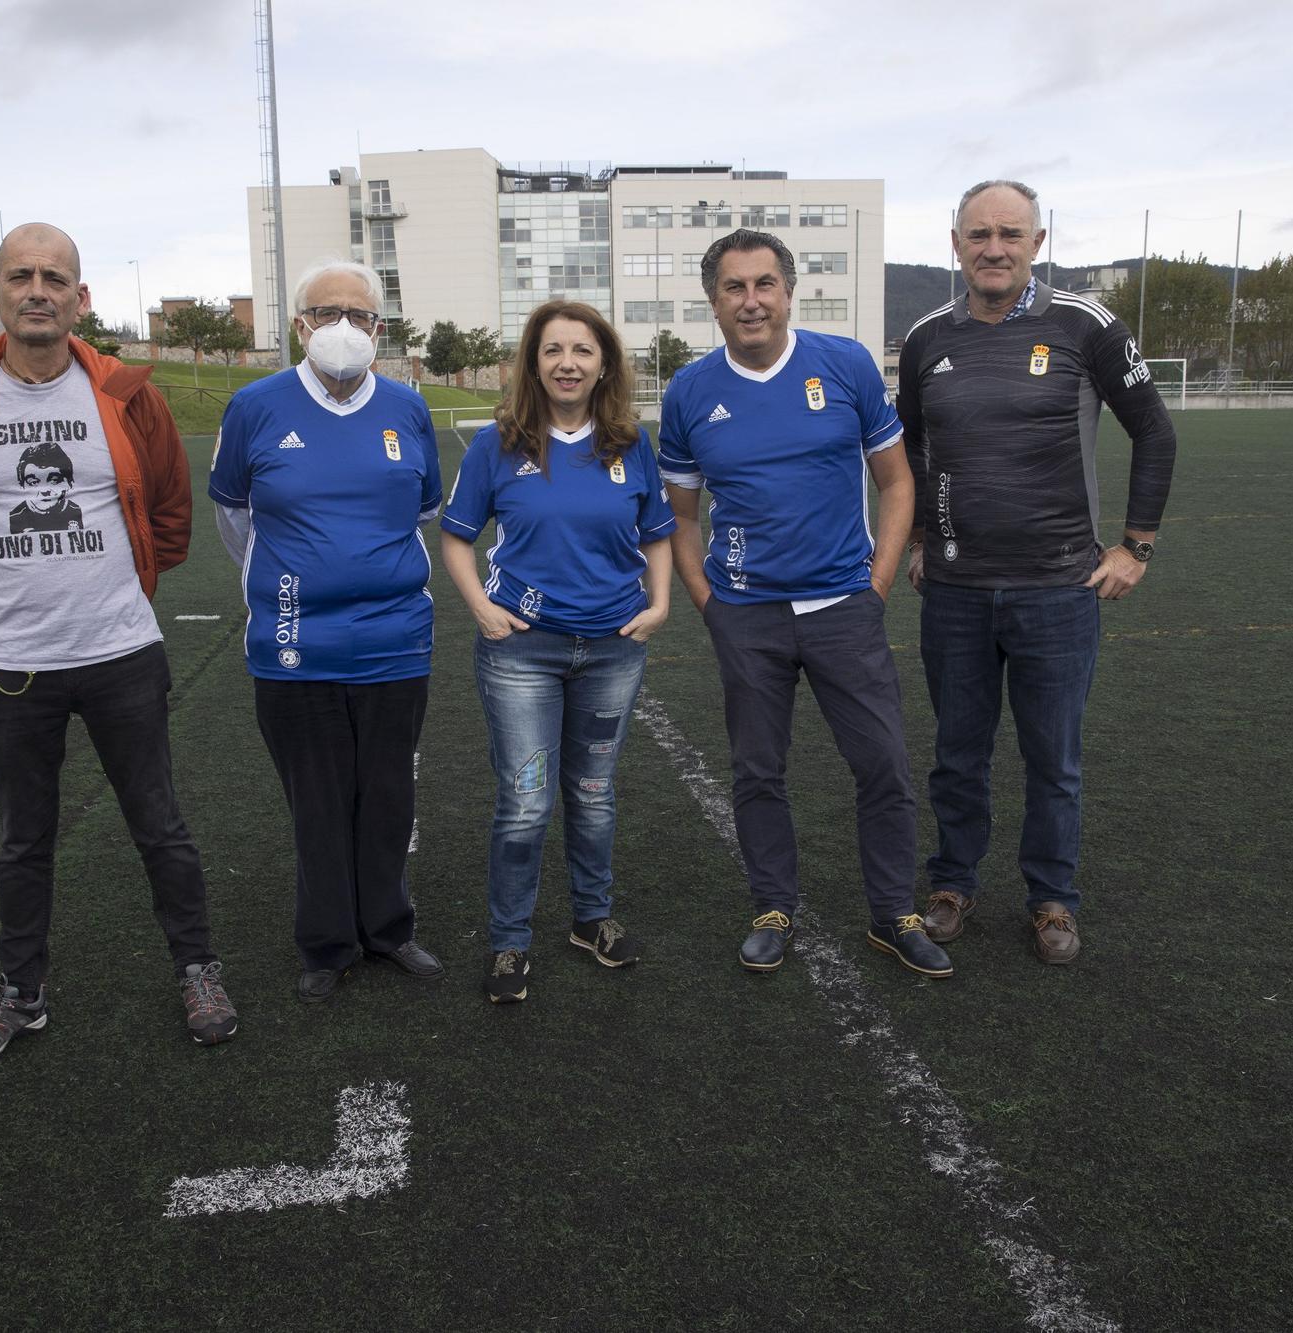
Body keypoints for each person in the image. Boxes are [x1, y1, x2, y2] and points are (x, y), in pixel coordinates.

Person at [0, 222, 237, 1070]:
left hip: (122, 652)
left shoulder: (124, 394)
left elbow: (168, 515)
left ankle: (198, 969)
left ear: (81, 299)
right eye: (21, 276)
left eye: (55, 277)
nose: (37, 289)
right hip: (10, 664)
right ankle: (21, 993)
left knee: (159, 824)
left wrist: (113, 594)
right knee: (22, 837)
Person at [897, 179, 1178, 964]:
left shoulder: (1085, 325)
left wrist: (1135, 547)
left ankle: (1052, 899)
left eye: (1010, 235)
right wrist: (921, 536)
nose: (994, 249)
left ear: (1038, 243)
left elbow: (1154, 432)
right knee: (958, 751)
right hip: (953, 591)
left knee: (1053, 757)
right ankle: (951, 884)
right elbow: (909, 452)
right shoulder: (925, 339)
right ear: (954, 244)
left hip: (1059, 588)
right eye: (979, 234)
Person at [659, 229, 950, 979]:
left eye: (764, 284)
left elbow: (895, 482)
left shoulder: (845, 364)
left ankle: (894, 912)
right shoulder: (690, 392)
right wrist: (709, 602)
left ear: (790, 291)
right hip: (746, 613)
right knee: (758, 769)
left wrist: (876, 584)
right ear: (713, 301)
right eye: (735, 287)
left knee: (883, 762)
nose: (751, 300)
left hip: (843, 608)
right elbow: (681, 517)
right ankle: (772, 906)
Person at [207, 259, 445, 1003]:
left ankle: (389, 928)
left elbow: (424, 511)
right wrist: (294, 578)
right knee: (316, 800)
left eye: (362, 315)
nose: (346, 328)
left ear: (380, 328)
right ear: (300, 325)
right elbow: (235, 517)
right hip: (292, 648)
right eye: (328, 312)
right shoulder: (254, 406)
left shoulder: (408, 410)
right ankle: (327, 941)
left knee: (386, 796)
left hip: (395, 643)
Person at [440, 301, 675, 1003]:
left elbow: (657, 530)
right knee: (526, 801)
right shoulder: (497, 444)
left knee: (595, 793)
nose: (567, 362)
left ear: (604, 361)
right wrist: (481, 606)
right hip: (522, 652)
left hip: (612, 650)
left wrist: (659, 603)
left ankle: (590, 918)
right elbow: (455, 535)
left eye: (581, 349)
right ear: (532, 362)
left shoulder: (629, 443)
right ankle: (510, 941)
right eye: (552, 350)